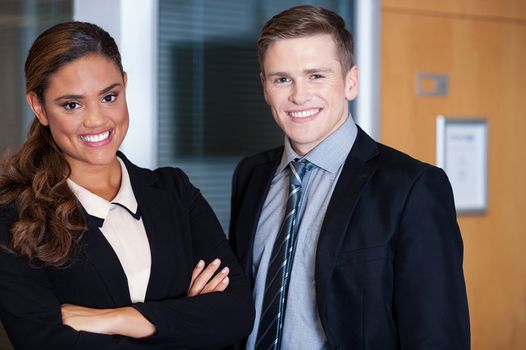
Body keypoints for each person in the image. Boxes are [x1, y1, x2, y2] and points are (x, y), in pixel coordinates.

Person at [0, 21, 254, 349]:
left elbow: (237, 313)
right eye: (71, 104)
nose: (96, 120)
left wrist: (118, 318)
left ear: (125, 86)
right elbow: (45, 342)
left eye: (109, 96)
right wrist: (188, 319)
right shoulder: (12, 219)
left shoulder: (175, 192)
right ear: (39, 107)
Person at [228, 5, 470, 350]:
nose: (298, 95)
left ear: (351, 82)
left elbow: (437, 336)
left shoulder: (411, 187)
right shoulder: (250, 175)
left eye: (316, 75)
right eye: (282, 78)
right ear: (265, 87)